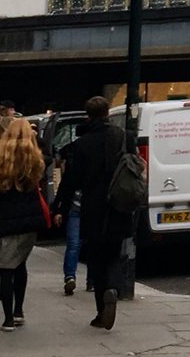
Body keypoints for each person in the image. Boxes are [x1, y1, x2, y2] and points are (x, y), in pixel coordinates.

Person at [52, 96, 131, 332]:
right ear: (107, 112)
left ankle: (101, 311)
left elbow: (71, 180)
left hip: (93, 206)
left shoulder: (83, 144)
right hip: (119, 202)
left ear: (88, 115)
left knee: (96, 258)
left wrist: (60, 206)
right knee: (114, 253)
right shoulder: (122, 137)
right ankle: (113, 288)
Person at [0, 117, 45, 331]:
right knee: (20, 265)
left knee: (4, 268)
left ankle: (8, 318)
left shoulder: (2, 159)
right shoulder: (35, 159)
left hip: (5, 220)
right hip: (28, 221)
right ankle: (18, 311)